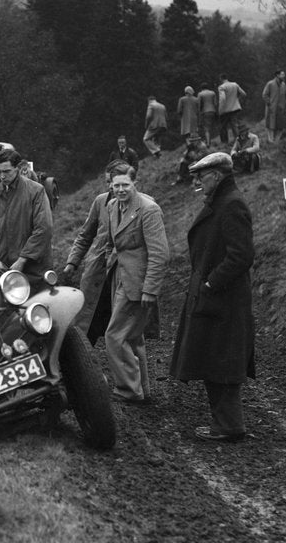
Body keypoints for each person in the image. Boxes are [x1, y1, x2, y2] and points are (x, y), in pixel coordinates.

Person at [170, 152, 255, 442]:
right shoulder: (222, 201)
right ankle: (225, 423)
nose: (198, 181)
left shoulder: (231, 205)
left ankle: (229, 426)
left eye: (202, 176)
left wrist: (210, 284)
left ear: (216, 176)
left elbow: (242, 255)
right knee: (213, 357)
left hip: (223, 299)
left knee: (222, 360)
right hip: (216, 297)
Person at [99, 163, 169, 404]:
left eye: (125, 185)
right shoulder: (111, 206)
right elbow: (112, 240)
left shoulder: (148, 210)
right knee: (132, 336)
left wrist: (150, 289)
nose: (120, 189)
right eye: (115, 185)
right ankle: (142, 389)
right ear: (110, 185)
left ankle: (128, 390)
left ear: (135, 183)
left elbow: (160, 254)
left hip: (138, 282)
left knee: (114, 336)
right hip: (119, 276)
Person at [0, 149, 53, 304]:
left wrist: (22, 260)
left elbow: (44, 229)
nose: (2, 176)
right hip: (1, 271)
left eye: (7, 171)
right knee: (2, 320)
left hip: (31, 270)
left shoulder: (35, 191)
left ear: (18, 169)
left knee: (34, 317)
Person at [62, 160, 124, 337]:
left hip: (121, 270)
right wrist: (72, 262)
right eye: (107, 182)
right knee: (85, 321)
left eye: (114, 181)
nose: (111, 186)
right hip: (96, 267)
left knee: (121, 328)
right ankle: (82, 360)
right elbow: (85, 235)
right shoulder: (100, 202)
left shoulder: (140, 205)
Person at [261, 70, 286, 142]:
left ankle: (276, 141)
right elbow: (264, 95)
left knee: (281, 126)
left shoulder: (283, 85)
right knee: (271, 126)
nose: (284, 76)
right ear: (277, 75)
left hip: (281, 109)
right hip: (272, 109)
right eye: (282, 74)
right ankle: (271, 141)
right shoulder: (270, 84)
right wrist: (270, 103)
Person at [217, 74, 247, 145]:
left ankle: (225, 142)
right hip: (235, 108)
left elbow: (223, 99)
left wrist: (220, 110)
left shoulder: (222, 87)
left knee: (223, 127)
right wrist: (237, 100)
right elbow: (244, 94)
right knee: (234, 125)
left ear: (221, 79)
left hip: (226, 110)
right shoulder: (235, 84)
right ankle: (239, 141)